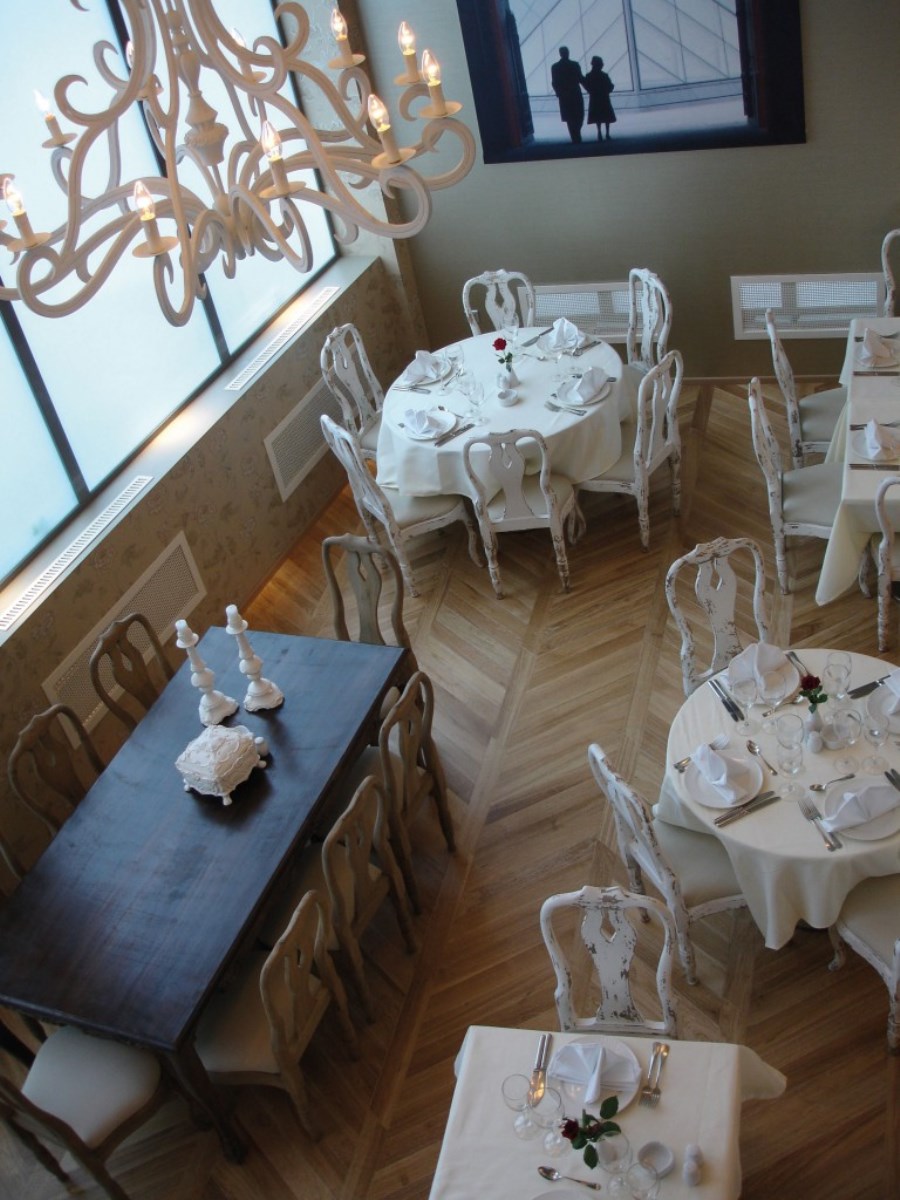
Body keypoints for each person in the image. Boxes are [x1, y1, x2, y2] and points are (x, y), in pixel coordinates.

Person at [550, 46, 586, 144]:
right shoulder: (575, 65)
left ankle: (574, 136)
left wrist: (558, 93)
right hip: (575, 93)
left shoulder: (555, 67)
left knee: (569, 117)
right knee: (579, 114)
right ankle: (577, 133)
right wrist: (589, 87)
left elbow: (554, 82)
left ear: (560, 54)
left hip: (564, 95)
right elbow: (581, 78)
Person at [584, 55, 616, 142]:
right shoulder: (604, 75)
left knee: (597, 116)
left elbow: (587, 86)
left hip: (595, 98)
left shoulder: (589, 75)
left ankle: (599, 132)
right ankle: (607, 133)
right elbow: (609, 86)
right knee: (606, 116)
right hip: (604, 97)